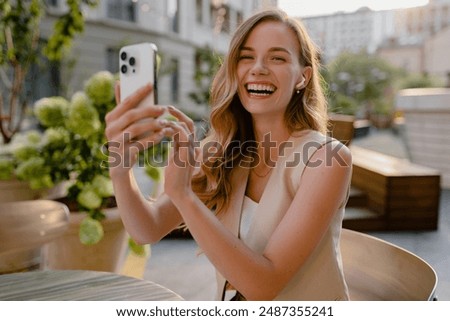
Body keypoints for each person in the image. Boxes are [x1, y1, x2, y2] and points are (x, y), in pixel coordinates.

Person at [105, 9, 352, 301]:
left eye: (277, 58)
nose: (258, 68)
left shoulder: (327, 158)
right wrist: (120, 170)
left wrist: (183, 195)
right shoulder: (221, 151)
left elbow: (264, 286)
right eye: (246, 57)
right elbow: (147, 229)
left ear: (303, 77)